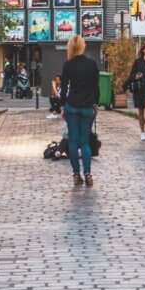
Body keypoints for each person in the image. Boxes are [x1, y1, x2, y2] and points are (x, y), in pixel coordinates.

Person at [59, 35, 99, 188]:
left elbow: (63, 88)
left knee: (73, 142)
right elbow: (96, 87)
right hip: (87, 106)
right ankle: (88, 173)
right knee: (85, 142)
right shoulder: (92, 64)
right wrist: (96, 103)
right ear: (83, 46)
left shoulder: (68, 65)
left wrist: (62, 105)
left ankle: (76, 174)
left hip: (72, 106)